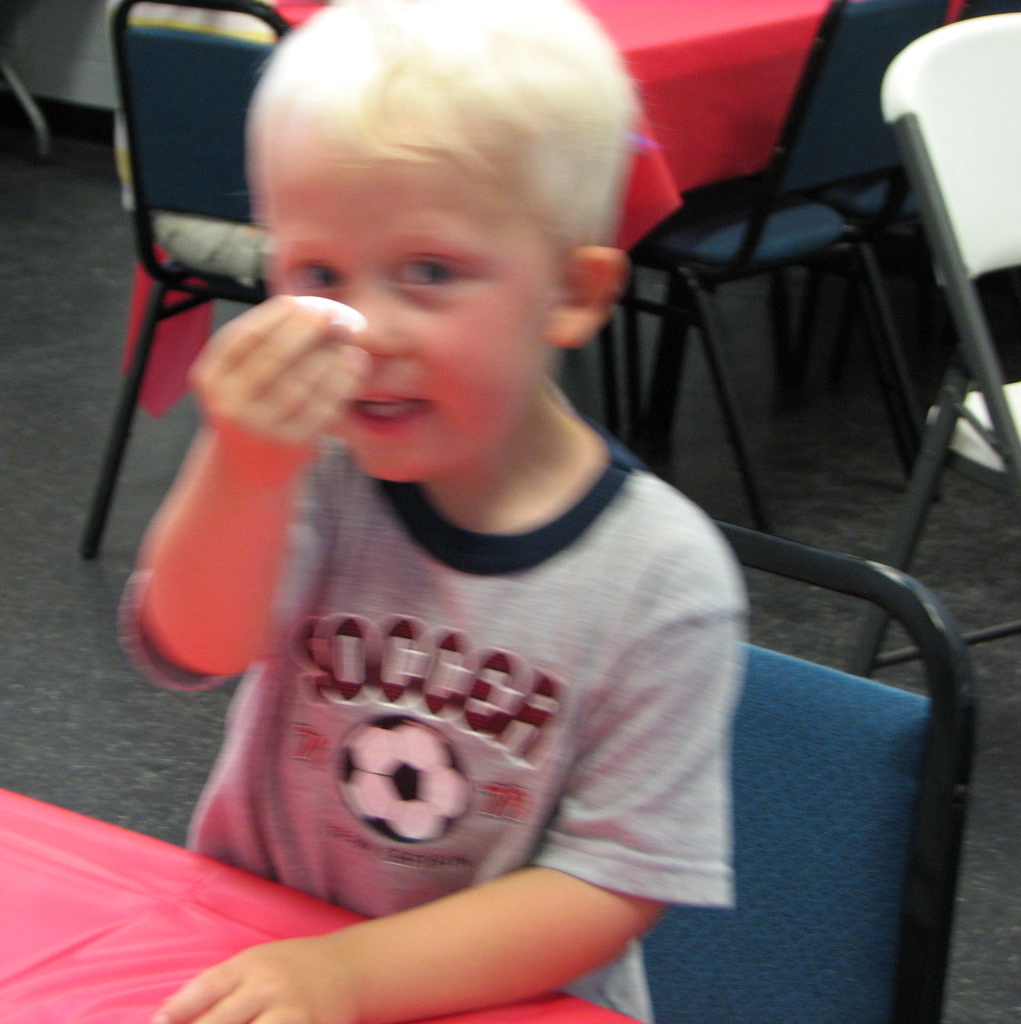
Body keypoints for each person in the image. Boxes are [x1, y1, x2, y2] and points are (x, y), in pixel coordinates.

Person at [122, 0, 746, 1021]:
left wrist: (347, 978)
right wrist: (242, 466)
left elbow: (609, 883)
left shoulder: (664, 578)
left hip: (499, 996)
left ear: (573, 294)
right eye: (319, 274)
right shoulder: (315, 468)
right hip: (265, 952)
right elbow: (194, 644)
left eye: (430, 272)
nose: (364, 330)